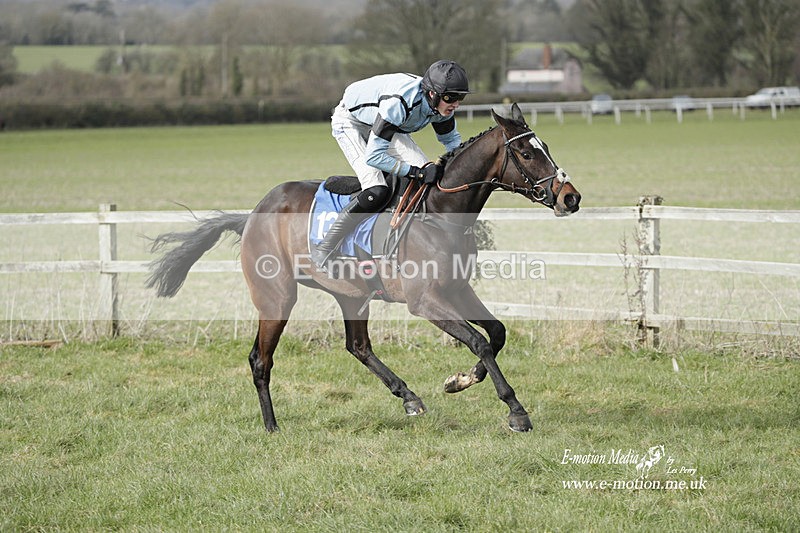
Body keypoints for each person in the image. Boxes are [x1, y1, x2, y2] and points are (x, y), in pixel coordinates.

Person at [312, 59, 469, 268]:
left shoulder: (440, 107)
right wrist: (416, 172)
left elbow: (451, 142)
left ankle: (406, 243)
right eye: (452, 98)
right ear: (433, 93)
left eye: (461, 97)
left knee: (426, 178)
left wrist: (466, 169)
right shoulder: (401, 103)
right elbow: (374, 156)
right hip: (351, 123)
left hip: (385, 124)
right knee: (376, 190)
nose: (456, 104)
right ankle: (325, 246)